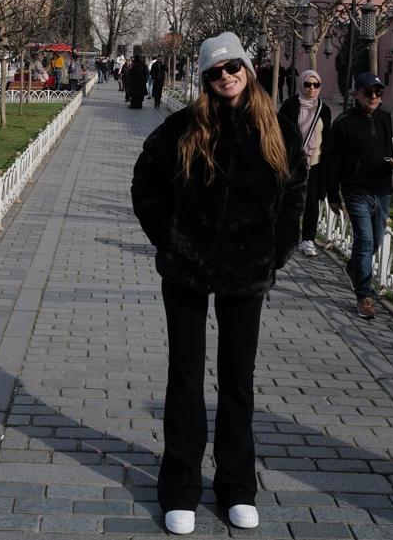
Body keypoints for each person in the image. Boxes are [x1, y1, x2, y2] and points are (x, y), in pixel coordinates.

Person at [131, 32, 307, 535]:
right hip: (188, 269)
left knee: (237, 379)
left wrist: (277, 248)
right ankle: (181, 485)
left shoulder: (275, 128)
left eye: (233, 66)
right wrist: (171, 240)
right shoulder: (184, 128)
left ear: (247, 68)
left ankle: (236, 484)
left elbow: (296, 188)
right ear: (205, 79)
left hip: (246, 271)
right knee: (185, 376)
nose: (225, 76)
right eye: (214, 71)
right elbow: (145, 184)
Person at [326, 71, 393, 320]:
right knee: (364, 241)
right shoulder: (344, 123)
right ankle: (364, 295)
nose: (374, 97)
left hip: (382, 190)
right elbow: (333, 161)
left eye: (378, 92)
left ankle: (354, 268)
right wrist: (332, 195)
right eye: (368, 92)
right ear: (356, 95)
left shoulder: (391, 121)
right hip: (355, 190)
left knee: (377, 242)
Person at [279, 70, 332, 257]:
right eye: (308, 84)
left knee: (311, 202)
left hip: (315, 163)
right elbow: (280, 133)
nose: (311, 89)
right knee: (289, 199)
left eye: (315, 85)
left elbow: (326, 139)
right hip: (292, 163)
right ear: (301, 84)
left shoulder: (324, 110)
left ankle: (308, 239)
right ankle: (286, 235)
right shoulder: (290, 105)